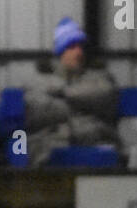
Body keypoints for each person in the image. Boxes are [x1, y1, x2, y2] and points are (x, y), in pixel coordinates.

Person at [22, 17, 119, 166]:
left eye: (81, 46)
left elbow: (106, 97)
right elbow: (39, 112)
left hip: (94, 143)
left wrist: (63, 92)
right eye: (72, 46)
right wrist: (86, 109)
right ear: (61, 50)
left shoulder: (100, 75)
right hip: (50, 149)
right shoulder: (38, 80)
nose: (79, 52)